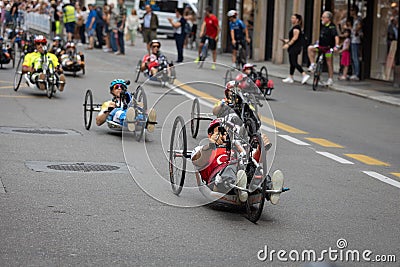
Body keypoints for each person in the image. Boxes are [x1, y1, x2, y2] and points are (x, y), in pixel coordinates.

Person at [191, 119, 249, 202]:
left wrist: (260, 149)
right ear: (210, 135)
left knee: (251, 168)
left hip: (239, 172)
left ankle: (269, 187)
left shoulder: (234, 149)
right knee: (230, 167)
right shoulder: (203, 149)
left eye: (226, 133)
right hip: (217, 180)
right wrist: (211, 145)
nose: (223, 136)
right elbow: (197, 160)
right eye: (219, 133)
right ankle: (236, 185)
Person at [307, 11, 340, 86]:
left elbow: (336, 37)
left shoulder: (332, 27)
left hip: (328, 48)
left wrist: (336, 46)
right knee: (310, 48)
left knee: (329, 62)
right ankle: (312, 64)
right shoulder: (324, 26)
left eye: (323, 17)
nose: (322, 18)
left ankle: (330, 78)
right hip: (320, 46)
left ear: (328, 19)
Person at [281, 14, 310, 85]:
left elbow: (295, 38)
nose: (291, 19)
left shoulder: (296, 28)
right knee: (292, 63)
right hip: (294, 46)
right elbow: (294, 38)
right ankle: (291, 76)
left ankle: (304, 74)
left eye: (293, 18)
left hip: (295, 47)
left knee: (294, 62)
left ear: (297, 20)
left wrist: (288, 44)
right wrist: (287, 40)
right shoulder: (296, 27)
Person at [195, 6, 220, 70]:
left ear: (208, 12)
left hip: (213, 36)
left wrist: (217, 36)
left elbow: (218, 28)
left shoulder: (214, 19)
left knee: (213, 50)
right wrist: (201, 32)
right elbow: (204, 24)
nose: (204, 13)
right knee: (200, 45)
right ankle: (199, 57)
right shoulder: (206, 18)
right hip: (207, 34)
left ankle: (214, 63)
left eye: (205, 11)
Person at [350, 5, 363, 81]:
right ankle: (354, 72)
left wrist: (350, 28)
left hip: (356, 40)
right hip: (353, 40)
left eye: (352, 10)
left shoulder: (358, 19)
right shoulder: (353, 20)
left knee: (355, 57)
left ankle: (356, 74)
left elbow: (357, 29)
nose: (351, 12)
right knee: (353, 57)